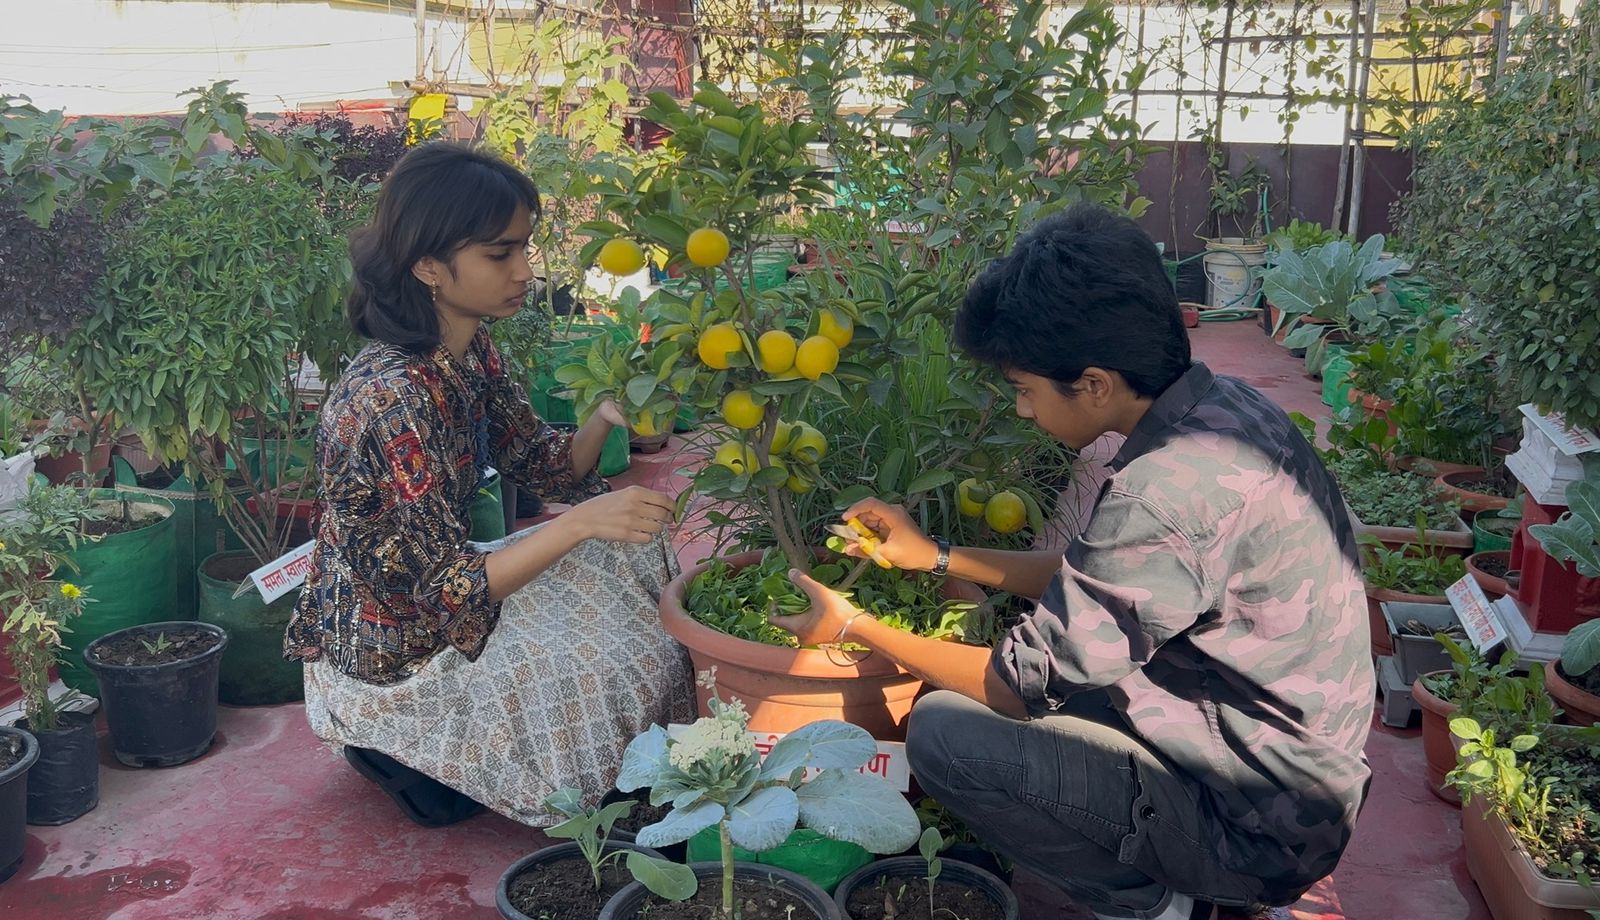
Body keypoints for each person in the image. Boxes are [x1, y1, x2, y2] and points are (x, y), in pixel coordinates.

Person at [771, 204, 1372, 920]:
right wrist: (934, 556)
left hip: (1250, 825)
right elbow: (1101, 582)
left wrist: (854, 624)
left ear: (1093, 384)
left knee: (944, 731)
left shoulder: (1165, 493)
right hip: (1268, 764)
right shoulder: (1221, 409)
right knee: (978, 700)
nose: (1022, 411)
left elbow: (1012, 687)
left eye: (1025, 390)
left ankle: (1168, 905)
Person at [284, 142, 693, 828]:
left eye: (525, 249)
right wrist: (579, 524)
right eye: (501, 254)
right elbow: (446, 592)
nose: (525, 272)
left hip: (446, 602)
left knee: (635, 556)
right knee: (609, 661)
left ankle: (613, 768)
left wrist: (603, 414)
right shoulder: (392, 399)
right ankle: (397, 740)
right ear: (428, 265)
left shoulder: (467, 349)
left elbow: (546, 466)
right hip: (396, 652)